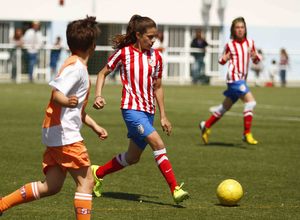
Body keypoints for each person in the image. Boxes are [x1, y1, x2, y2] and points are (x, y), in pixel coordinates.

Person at [0, 16, 108, 219]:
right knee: (86, 182)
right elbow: (57, 93)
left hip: (56, 131)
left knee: (51, 186)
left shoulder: (75, 65)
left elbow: (77, 110)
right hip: (64, 133)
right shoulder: (76, 68)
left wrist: (94, 126)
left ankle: (2, 204)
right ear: (93, 46)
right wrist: (66, 101)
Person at [92, 14, 189, 204]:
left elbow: (158, 87)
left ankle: (98, 172)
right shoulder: (124, 53)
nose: (154, 40)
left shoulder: (157, 57)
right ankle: (175, 189)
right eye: (150, 37)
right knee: (158, 144)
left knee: (132, 157)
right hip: (131, 110)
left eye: (155, 37)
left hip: (148, 112)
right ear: (138, 35)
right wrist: (98, 95)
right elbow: (103, 73)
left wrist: (163, 116)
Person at [199, 17, 261, 145]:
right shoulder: (230, 45)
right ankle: (246, 133)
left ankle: (206, 125)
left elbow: (256, 60)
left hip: (242, 79)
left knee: (225, 107)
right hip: (234, 79)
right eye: (237, 27)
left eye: (242, 27)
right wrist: (225, 58)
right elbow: (221, 60)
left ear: (245, 29)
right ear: (233, 30)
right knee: (251, 102)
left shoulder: (250, 43)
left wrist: (255, 56)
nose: (240, 30)